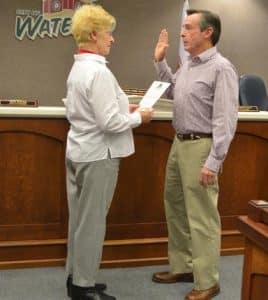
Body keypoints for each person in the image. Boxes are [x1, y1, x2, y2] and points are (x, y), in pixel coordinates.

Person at [65, 4, 153, 300]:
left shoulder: (79, 67)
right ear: (93, 34)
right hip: (98, 156)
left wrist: (120, 108)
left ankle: (76, 277)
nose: (112, 39)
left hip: (79, 151)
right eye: (108, 33)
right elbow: (110, 123)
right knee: (91, 224)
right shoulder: (98, 73)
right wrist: (140, 117)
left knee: (78, 221)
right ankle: (84, 287)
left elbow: (90, 111)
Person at [151, 9, 238, 300]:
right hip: (179, 145)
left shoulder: (221, 68)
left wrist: (214, 162)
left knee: (202, 217)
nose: (182, 33)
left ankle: (208, 281)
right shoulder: (188, 64)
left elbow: (226, 119)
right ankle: (183, 266)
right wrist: (160, 61)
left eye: (188, 28)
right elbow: (172, 92)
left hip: (202, 146)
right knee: (174, 207)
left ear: (207, 32)